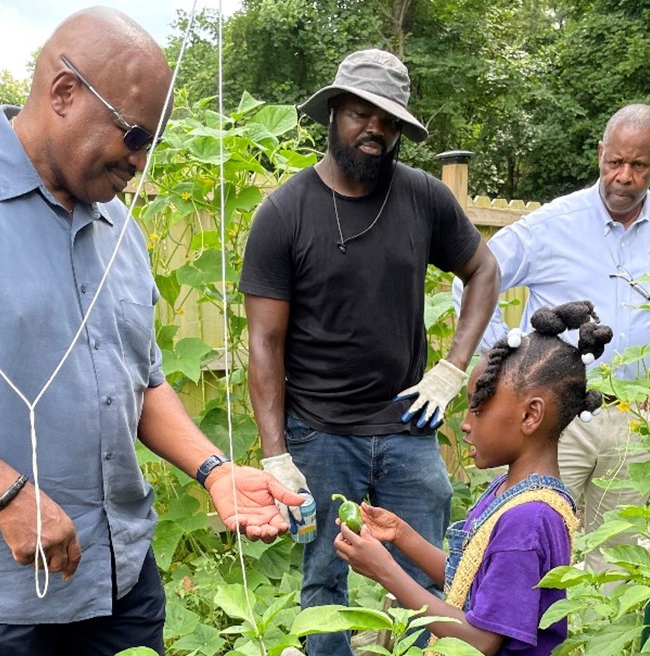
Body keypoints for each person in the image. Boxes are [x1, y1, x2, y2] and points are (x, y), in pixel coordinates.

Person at [0, 7, 303, 655]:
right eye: (134, 134)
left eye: (151, 140)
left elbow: (143, 381)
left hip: (119, 577)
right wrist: (7, 493)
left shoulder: (119, 232)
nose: (141, 158)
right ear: (64, 92)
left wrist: (213, 471)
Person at [239, 49, 500, 655]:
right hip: (320, 434)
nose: (375, 130)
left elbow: (483, 269)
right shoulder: (285, 212)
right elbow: (264, 344)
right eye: (361, 113)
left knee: (429, 578)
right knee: (324, 585)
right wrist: (277, 456)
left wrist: (451, 367)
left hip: (409, 429)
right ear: (333, 114)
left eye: (389, 121)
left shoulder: (424, 199)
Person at [453, 103, 650, 573]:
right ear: (601, 153)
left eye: (638, 165)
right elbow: (472, 278)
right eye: (614, 162)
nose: (623, 176)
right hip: (554, 419)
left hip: (638, 418)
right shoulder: (552, 226)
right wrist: (502, 353)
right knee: (526, 542)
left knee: (620, 556)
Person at [335, 302, 614, 655]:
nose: (465, 422)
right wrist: (401, 535)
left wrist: (386, 571)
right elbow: (470, 579)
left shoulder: (527, 520)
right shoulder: (510, 493)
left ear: (531, 415)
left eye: (478, 409)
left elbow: (482, 641)